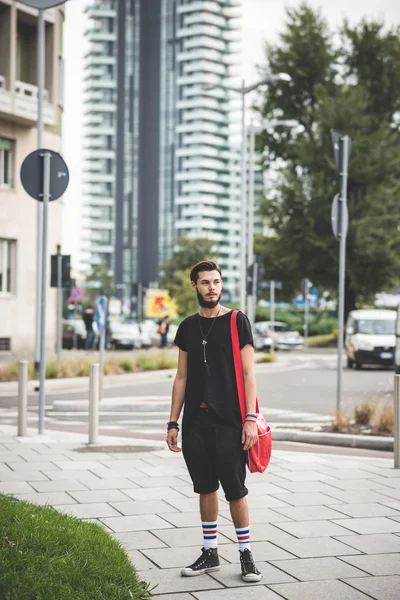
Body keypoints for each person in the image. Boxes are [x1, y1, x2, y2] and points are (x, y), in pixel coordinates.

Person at [167, 260, 262, 583]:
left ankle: (246, 554)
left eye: (217, 282)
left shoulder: (237, 321)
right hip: (195, 421)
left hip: (230, 421)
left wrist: (250, 418)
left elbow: (249, 374)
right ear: (194, 285)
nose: (212, 287)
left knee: (235, 489)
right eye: (205, 282)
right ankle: (210, 552)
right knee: (205, 487)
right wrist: (173, 422)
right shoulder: (187, 327)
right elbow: (181, 377)